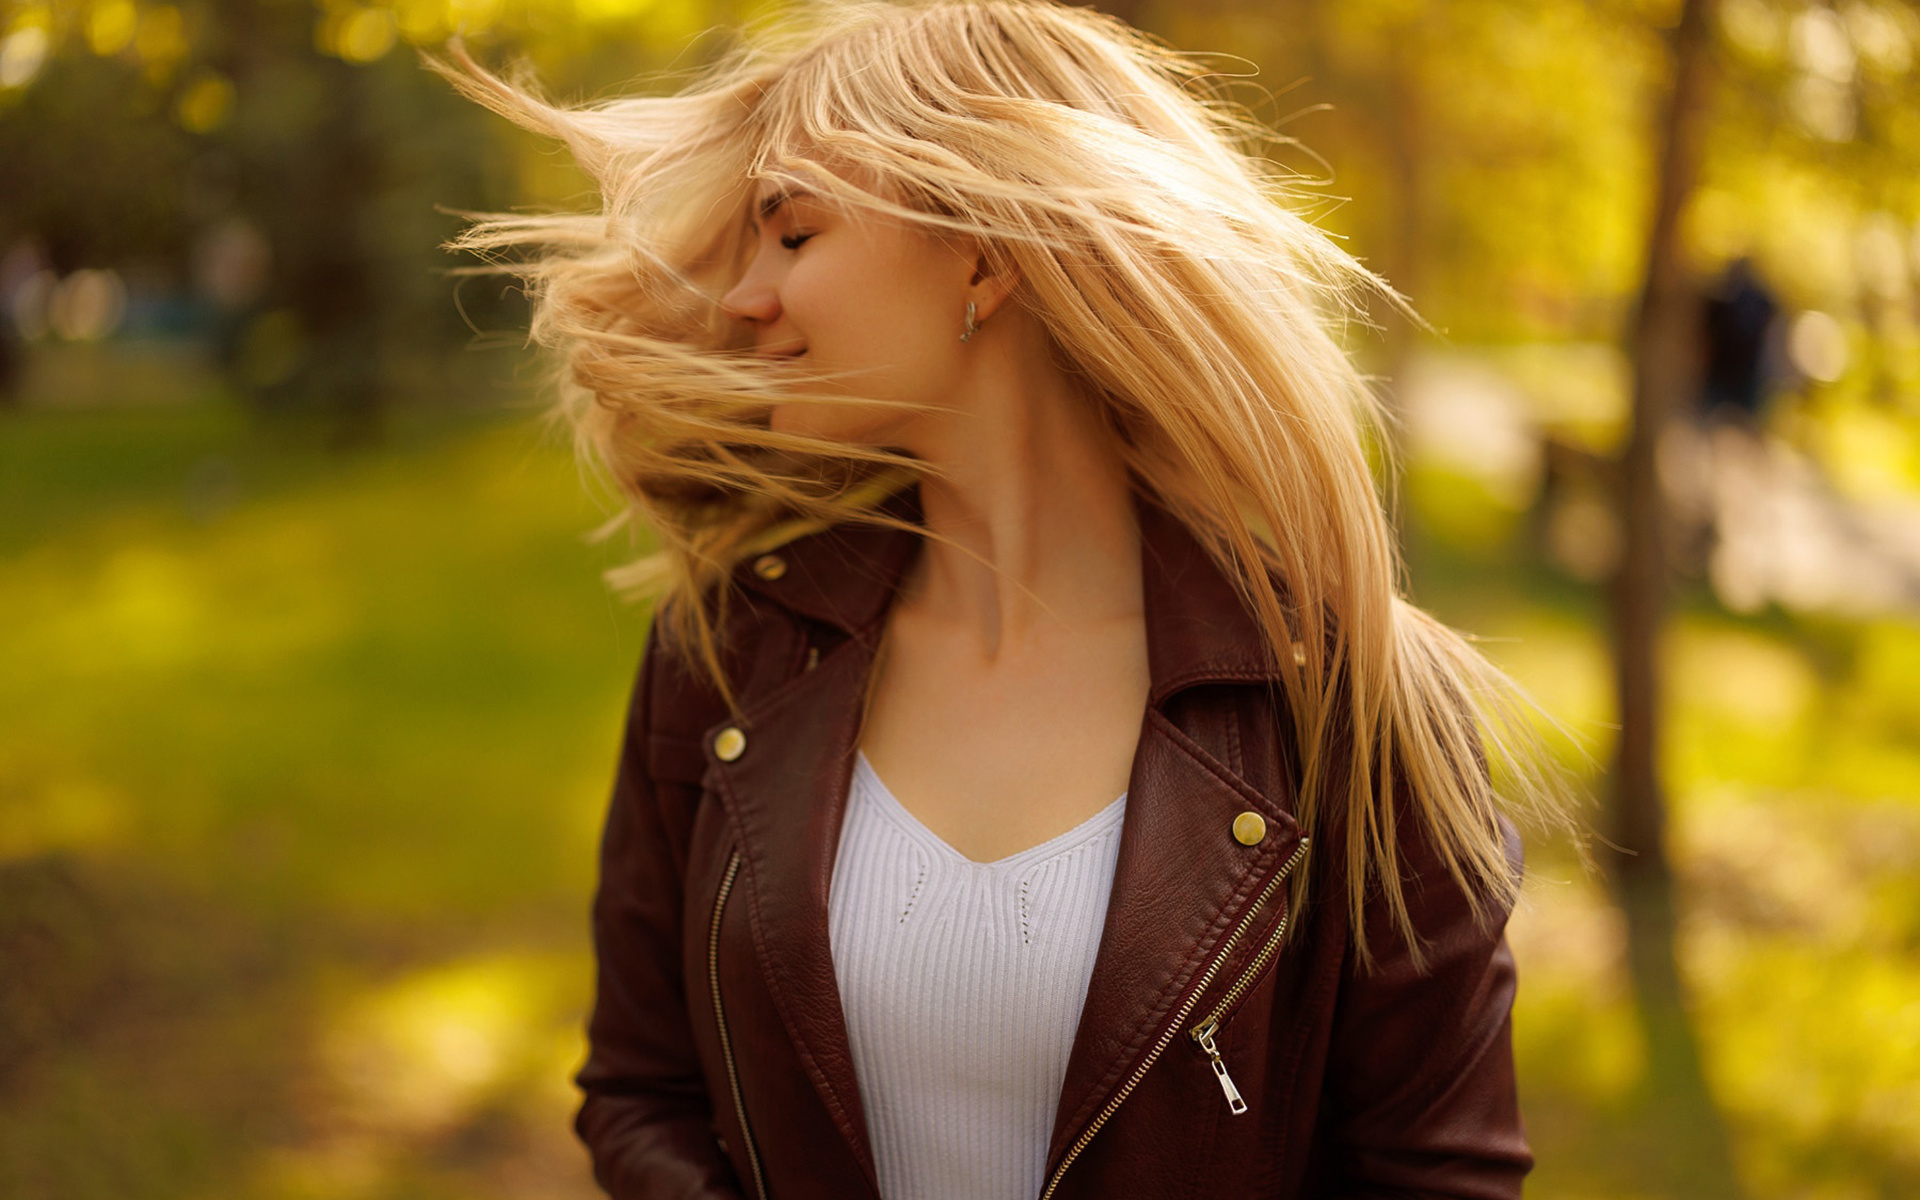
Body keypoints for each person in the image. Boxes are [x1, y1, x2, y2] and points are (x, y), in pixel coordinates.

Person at [432, 2, 1572, 1196]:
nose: (744, 300)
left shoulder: (1347, 702)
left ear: (982, 252)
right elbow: (641, 1093)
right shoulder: (724, 655)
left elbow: (1432, 1178)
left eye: (794, 235)